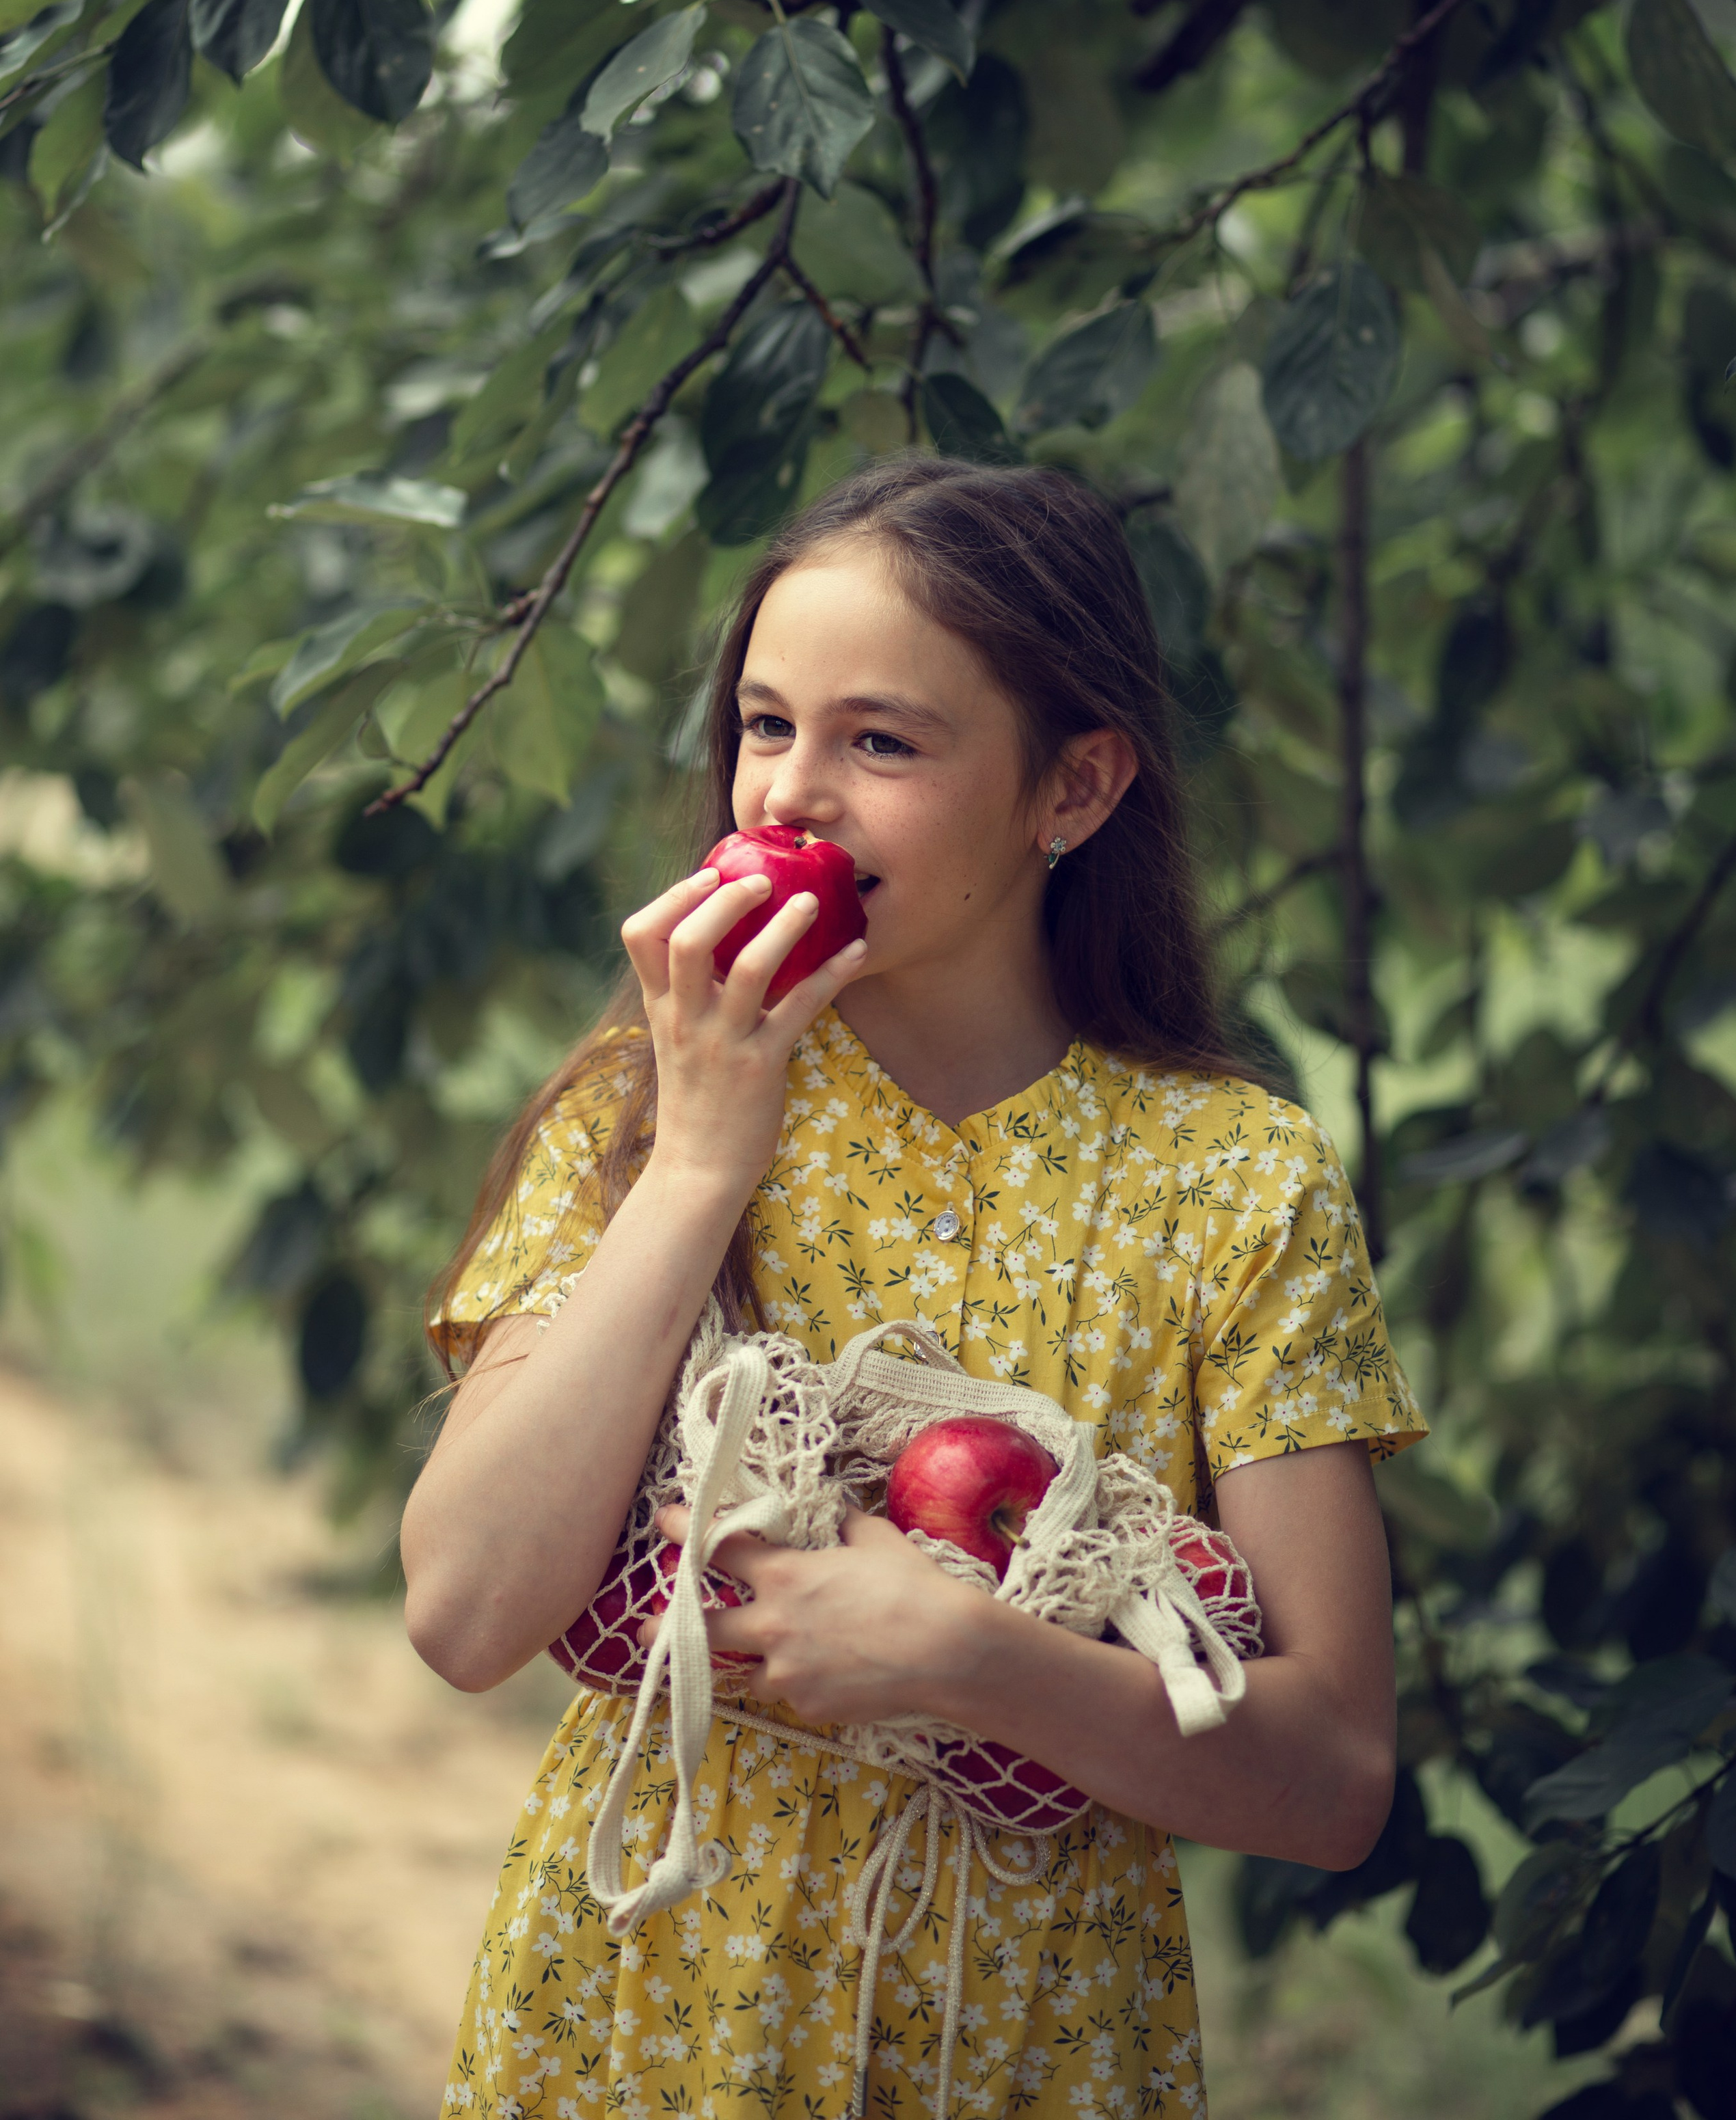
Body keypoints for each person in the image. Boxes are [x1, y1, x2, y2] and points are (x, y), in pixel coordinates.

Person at [403, 455, 1426, 2120]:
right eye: (761, 724)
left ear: (1073, 791)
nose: (788, 797)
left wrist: (976, 1663)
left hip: (1022, 2047)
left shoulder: (1233, 1185)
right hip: (643, 2023)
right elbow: (462, 1613)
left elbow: (1329, 1779)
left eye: (879, 741)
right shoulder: (644, 1104)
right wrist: (696, 1163)